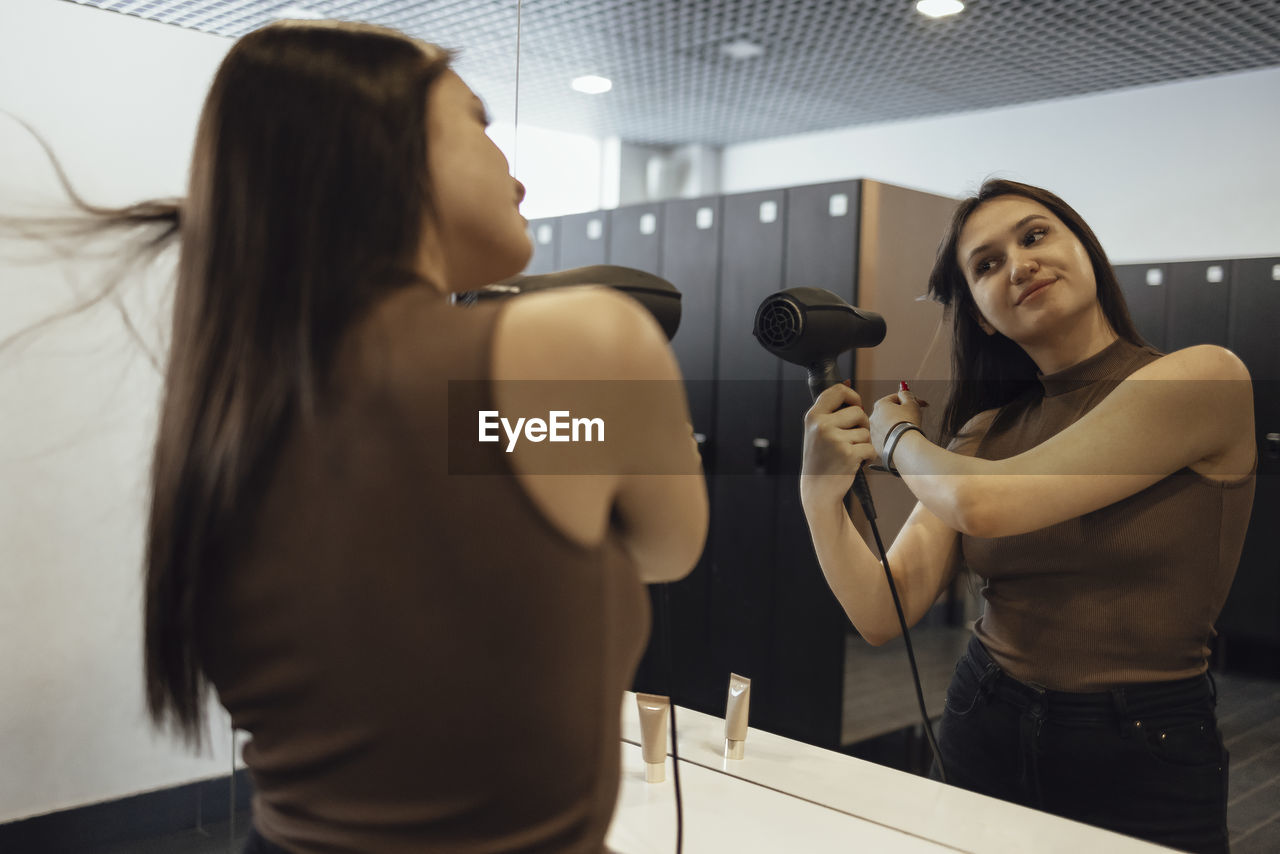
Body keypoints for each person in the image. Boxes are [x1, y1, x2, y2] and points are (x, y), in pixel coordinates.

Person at [11, 19, 707, 854]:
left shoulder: (232, 408)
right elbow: (669, 547)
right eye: (477, 118)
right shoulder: (580, 345)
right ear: (379, 148)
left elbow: (449, 447)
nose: (507, 159)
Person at [799, 179, 1255, 853]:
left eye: (1035, 235)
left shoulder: (1202, 381)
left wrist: (896, 437)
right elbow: (881, 609)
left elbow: (981, 503)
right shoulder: (985, 432)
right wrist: (817, 495)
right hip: (985, 714)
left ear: (1087, 253)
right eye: (986, 264)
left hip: (1141, 745)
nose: (1018, 264)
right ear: (981, 313)